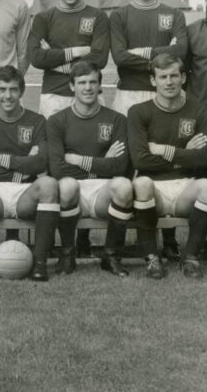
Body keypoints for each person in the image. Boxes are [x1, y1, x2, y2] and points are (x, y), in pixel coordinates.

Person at [109, 0, 188, 258]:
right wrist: (161, 56)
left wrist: (144, 53)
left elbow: (180, 51)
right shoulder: (119, 15)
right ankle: (121, 240)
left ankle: (168, 240)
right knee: (128, 163)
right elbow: (119, 57)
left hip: (165, 98)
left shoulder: (172, 13)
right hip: (129, 94)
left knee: (162, 163)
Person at [128, 53, 207, 279]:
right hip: (154, 189)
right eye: (162, 77)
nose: (169, 82)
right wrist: (185, 151)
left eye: (174, 76)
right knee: (141, 183)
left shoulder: (200, 111)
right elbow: (140, 160)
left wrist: (163, 150)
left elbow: (204, 159)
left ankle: (190, 257)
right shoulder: (138, 112)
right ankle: (152, 259)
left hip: (185, 187)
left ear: (183, 78)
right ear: (153, 81)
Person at [47, 61, 134, 277]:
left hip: (103, 192)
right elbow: (57, 169)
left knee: (123, 186)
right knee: (65, 184)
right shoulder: (57, 121)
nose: (88, 88)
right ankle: (68, 254)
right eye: (82, 82)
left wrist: (77, 160)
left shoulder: (117, 120)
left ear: (100, 86)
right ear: (71, 86)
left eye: (93, 82)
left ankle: (111, 255)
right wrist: (103, 162)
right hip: (72, 192)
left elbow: (122, 167)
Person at [0, 66, 57, 281]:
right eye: (2, 89)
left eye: (13, 89)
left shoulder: (37, 121)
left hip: (25, 195)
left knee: (48, 184)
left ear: (22, 91)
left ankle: (39, 264)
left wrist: (3, 159)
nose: (7, 96)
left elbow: (41, 162)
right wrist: (23, 168)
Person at [28, 0, 110, 118]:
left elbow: (99, 58)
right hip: (54, 96)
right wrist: (77, 51)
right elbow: (37, 58)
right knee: (54, 143)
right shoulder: (43, 18)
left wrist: (55, 61)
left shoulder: (98, 16)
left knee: (93, 143)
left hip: (90, 94)